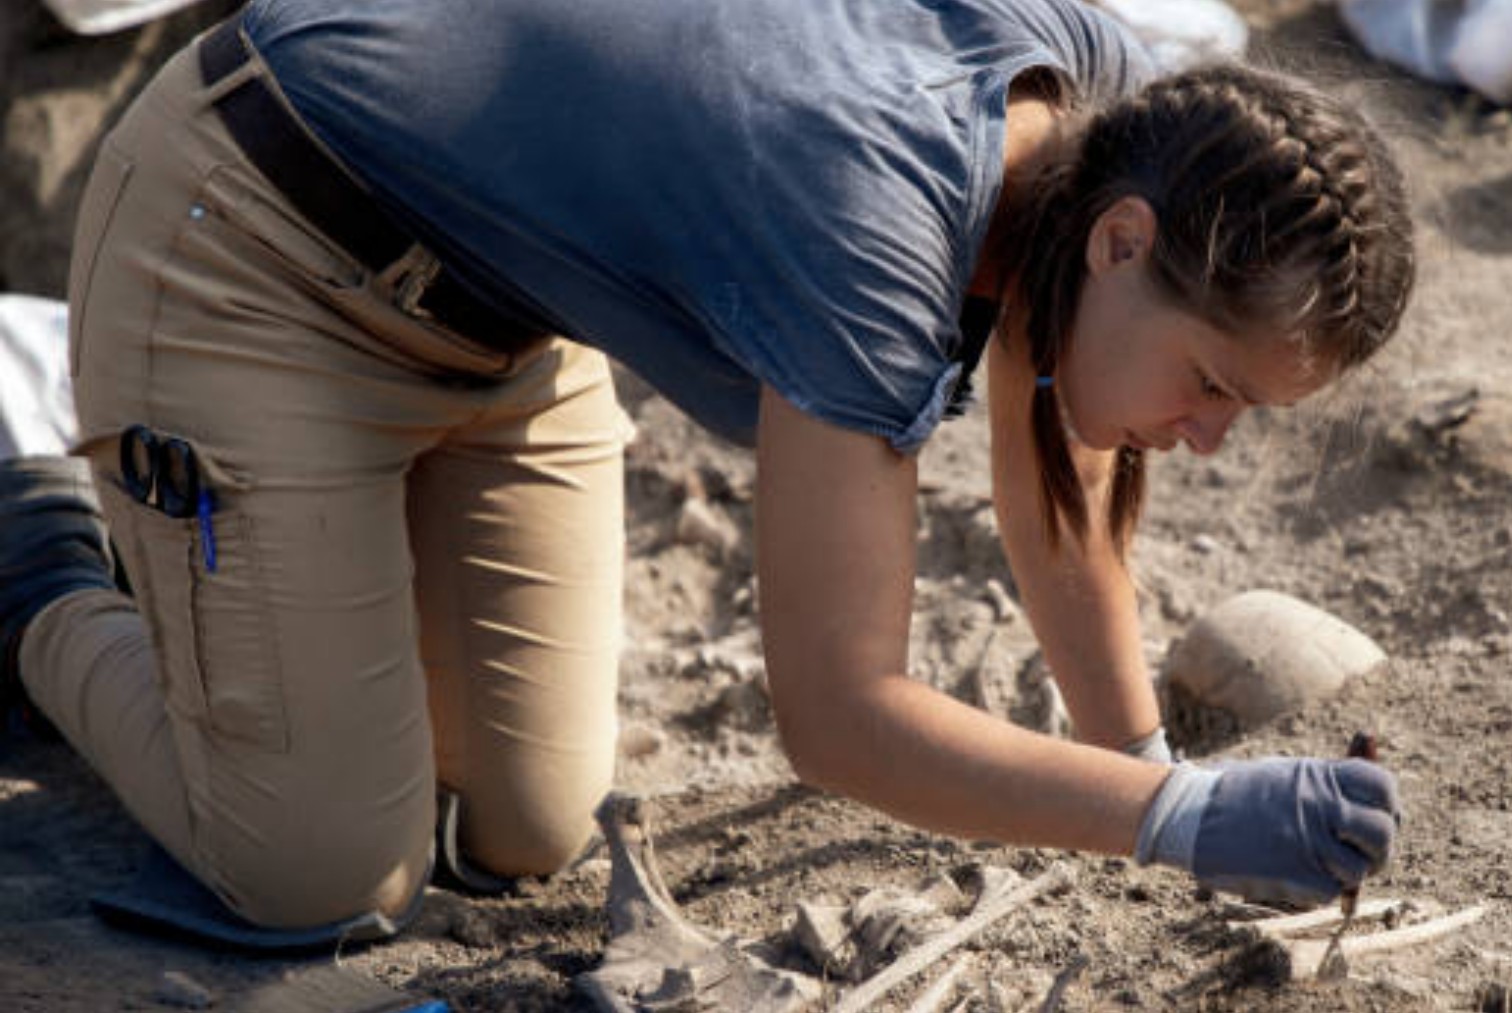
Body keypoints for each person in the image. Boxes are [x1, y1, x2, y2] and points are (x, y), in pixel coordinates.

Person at [0, 0, 1412, 936]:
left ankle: (280, 589)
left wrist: (1142, 763)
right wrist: (1175, 822)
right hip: (253, 250)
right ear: (1121, 241)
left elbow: (1061, 449)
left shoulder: (1111, 129)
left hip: (499, 331)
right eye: (1212, 386)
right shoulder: (877, 225)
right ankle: (47, 572)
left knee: (527, 828)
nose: (1209, 438)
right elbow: (842, 716)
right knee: (316, 876)